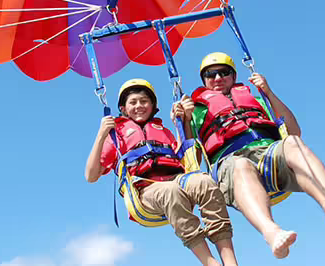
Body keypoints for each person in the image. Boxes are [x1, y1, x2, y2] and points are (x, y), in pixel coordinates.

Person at [180, 53, 325, 259]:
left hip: (269, 155)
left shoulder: (257, 99)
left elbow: (294, 130)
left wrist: (268, 92)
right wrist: (185, 122)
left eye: (223, 72)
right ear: (204, 81)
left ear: (233, 76)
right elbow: (192, 164)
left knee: (293, 142)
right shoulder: (195, 112)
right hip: (231, 163)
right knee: (240, 164)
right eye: (210, 75)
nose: (217, 78)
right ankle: (271, 232)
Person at [85, 78, 240, 266]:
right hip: (145, 190)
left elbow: (190, 162)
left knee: (204, 181)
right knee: (170, 192)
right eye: (133, 102)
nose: (139, 106)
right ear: (124, 109)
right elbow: (91, 176)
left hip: (178, 180)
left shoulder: (163, 131)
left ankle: (230, 261)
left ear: (152, 106)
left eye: (144, 101)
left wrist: (184, 122)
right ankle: (210, 263)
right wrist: (101, 134)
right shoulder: (116, 135)